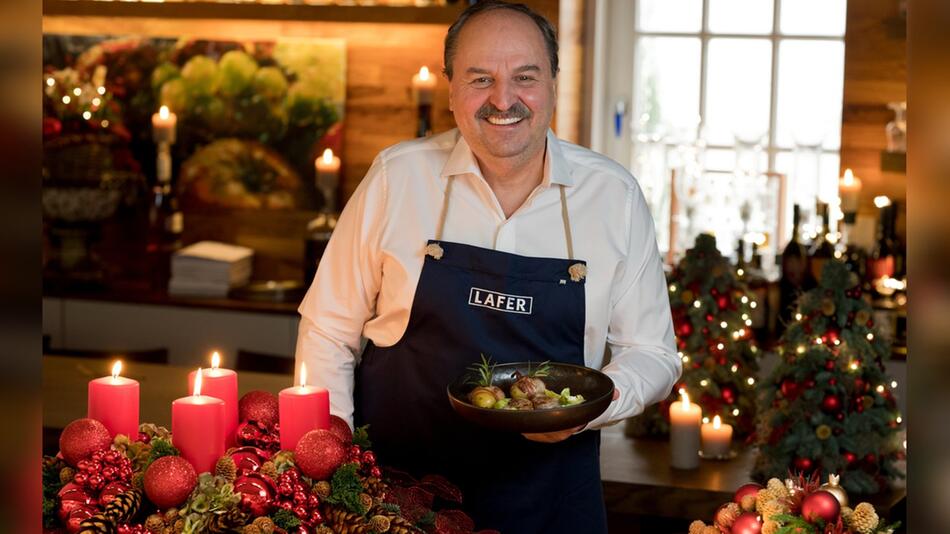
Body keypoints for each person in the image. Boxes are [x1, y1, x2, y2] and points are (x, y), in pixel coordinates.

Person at [295, 2, 680, 532]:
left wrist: (587, 407)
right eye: (481, 79)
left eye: (525, 77)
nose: (504, 99)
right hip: (395, 503)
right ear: (451, 88)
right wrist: (333, 464)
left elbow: (654, 354)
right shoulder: (396, 178)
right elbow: (328, 331)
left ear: (552, 83)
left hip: (551, 504)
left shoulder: (612, 196)